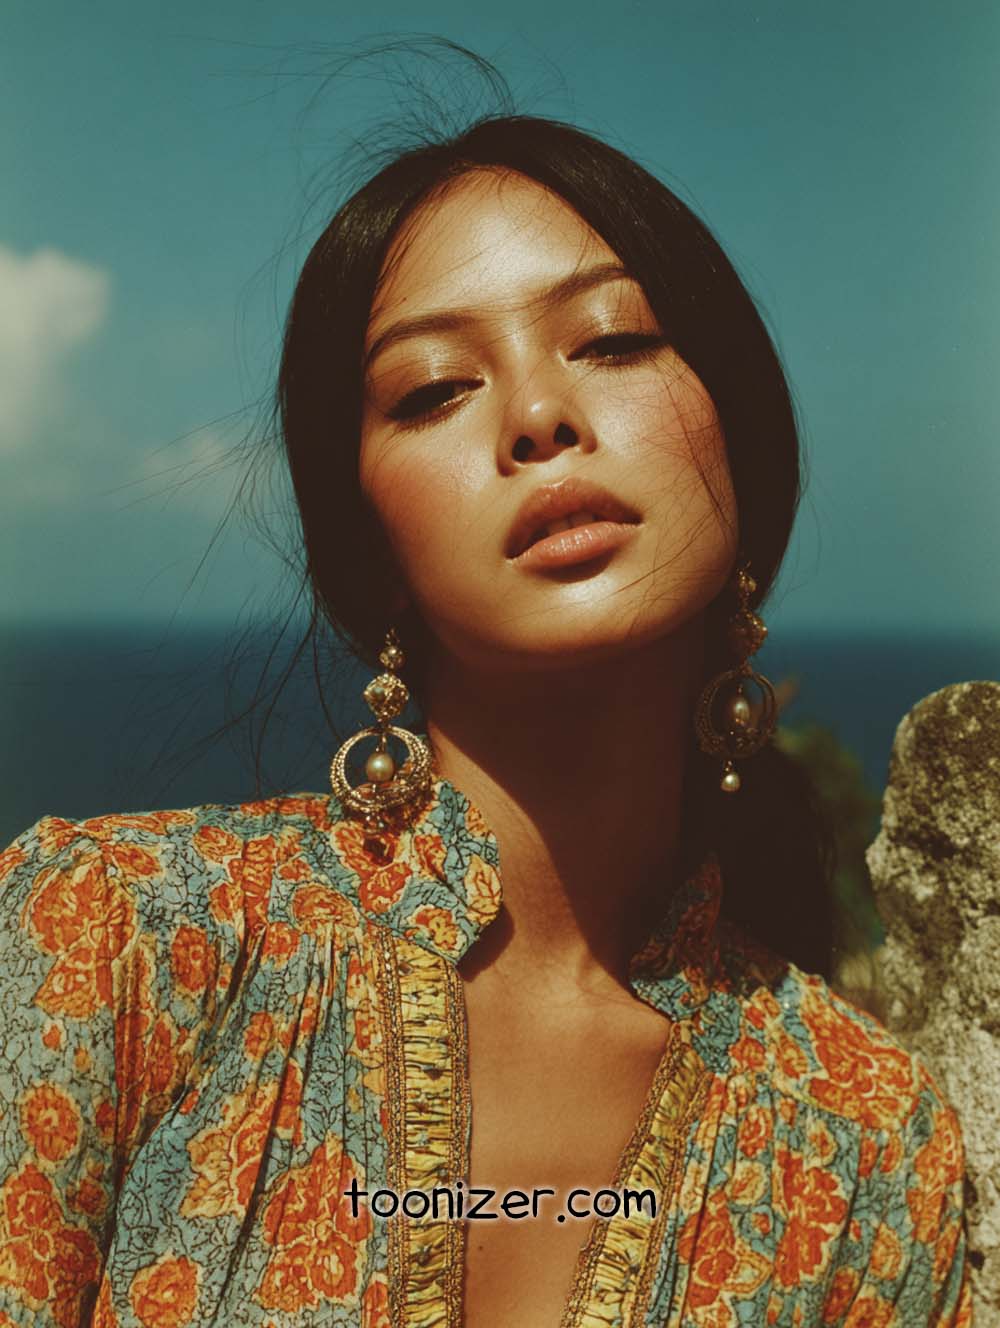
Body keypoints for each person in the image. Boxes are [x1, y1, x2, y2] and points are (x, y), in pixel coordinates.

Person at [0, 113, 971, 1327]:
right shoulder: (111, 941)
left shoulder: (866, 1144)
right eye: (434, 388)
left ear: (741, 430)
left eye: (613, 339)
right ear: (371, 551)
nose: (537, 415)